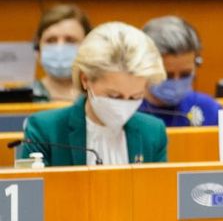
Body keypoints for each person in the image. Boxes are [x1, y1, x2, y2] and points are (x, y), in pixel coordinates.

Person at [20, 22, 167, 166]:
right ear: (85, 79)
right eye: (114, 96)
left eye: (135, 97)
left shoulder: (153, 131)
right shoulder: (45, 130)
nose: (124, 105)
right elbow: (32, 189)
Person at [139, 16, 222, 127]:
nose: (176, 82)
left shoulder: (209, 110)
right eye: (167, 75)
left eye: (185, 74)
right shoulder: (127, 113)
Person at [32, 4, 93, 102]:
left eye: (70, 40)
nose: (59, 48)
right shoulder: (21, 98)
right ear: (38, 49)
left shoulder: (100, 98)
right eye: (51, 40)